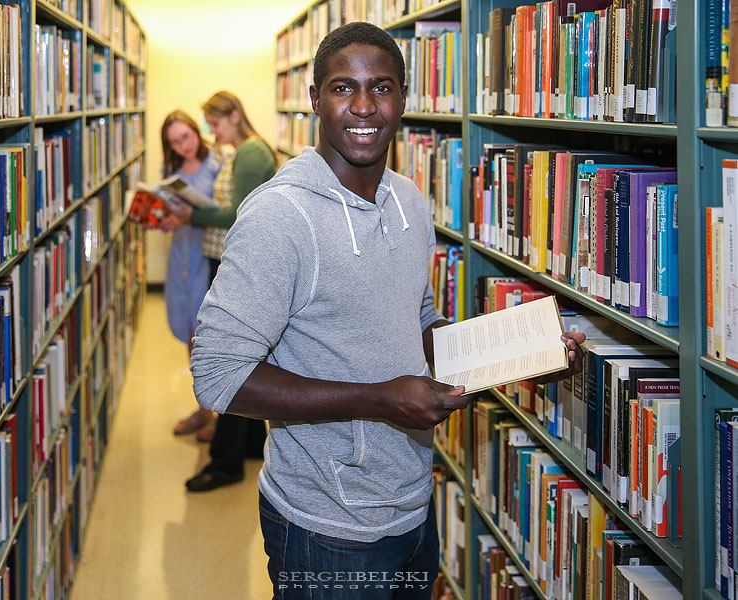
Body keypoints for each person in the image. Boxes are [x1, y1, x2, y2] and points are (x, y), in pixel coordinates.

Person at [189, 23, 586, 599]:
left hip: (412, 504)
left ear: (404, 97)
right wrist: (378, 398)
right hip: (324, 528)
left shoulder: (409, 200)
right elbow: (217, 376)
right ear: (315, 98)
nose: (364, 107)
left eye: (382, 87)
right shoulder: (280, 217)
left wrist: (517, 352)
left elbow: (416, 322)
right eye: (343, 88)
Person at [165, 91, 278, 490]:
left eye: (215, 124)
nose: (212, 132)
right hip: (226, 259)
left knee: (229, 361)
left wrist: (192, 215)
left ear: (234, 115)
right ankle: (249, 443)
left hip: (236, 266)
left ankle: (225, 463)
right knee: (244, 356)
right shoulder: (241, 150)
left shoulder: (249, 152)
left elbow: (239, 212)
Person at [155, 110, 221, 437]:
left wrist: (189, 216)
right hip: (180, 256)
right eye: (174, 142)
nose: (183, 146)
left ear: (197, 131)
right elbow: (166, 209)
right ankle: (204, 408)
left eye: (186, 137)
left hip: (208, 257)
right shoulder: (170, 171)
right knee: (190, 335)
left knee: (209, 334)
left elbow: (224, 213)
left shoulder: (218, 163)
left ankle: (223, 414)